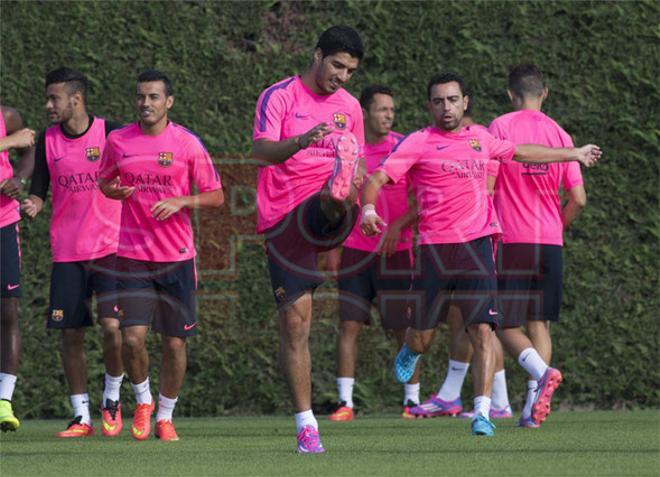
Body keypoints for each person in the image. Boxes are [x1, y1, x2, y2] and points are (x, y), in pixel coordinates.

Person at [361, 72, 600, 437]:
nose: (446, 107)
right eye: (439, 101)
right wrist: (368, 210)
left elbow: (521, 152)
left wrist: (574, 153)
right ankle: (412, 347)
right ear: (430, 106)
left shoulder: (482, 139)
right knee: (423, 339)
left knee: (483, 331)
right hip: (433, 252)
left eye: (453, 100)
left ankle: (483, 412)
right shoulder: (418, 142)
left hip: (477, 246)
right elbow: (377, 179)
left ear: (465, 103)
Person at [252, 25, 365, 453]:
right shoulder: (278, 96)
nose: (342, 76)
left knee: (333, 197)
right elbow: (261, 152)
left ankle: (335, 199)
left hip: (327, 210)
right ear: (317, 55)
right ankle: (306, 426)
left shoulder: (350, 108)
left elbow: (362, 171)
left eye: (350, 71)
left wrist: (363, 202)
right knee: (296, 322)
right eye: (337, 65)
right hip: (283, 218)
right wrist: (299, 142)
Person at [99, 69, 223, 441]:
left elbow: (216, 195)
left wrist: (182, 200)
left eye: (154, 97)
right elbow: (105, 180)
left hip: (177, 258)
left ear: (168, 102)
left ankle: (165, 417)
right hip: (132, 255)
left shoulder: (186, 144)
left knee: (174, 343)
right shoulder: (118, 140)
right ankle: (142, 399)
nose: (146, 103)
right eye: (141, 97)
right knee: (132, 338)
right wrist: (112, 191)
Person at [21, 67, 125, 438]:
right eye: (48, 98)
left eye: (55, 98)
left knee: (114, 330)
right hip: (67, 253)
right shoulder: (47, 141)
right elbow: (37, 191)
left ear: (76, 99)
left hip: (111, 249)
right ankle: (81, 416)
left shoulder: (111, 132)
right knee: (71, 335)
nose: (49, 105)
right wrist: (30, 205)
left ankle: (111, 398)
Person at [489, 64, 587, 428]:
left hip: (513, 240)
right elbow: (578, 198)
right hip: (550, 242)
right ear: (544, 92)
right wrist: (555, 229)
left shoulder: (500, 126)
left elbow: (489, 179)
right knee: (539, 323)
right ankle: (532, 411)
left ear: (510, 95)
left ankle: (544, 373)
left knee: (503, 325)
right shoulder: (563, 136)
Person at [412, 106, 512, 420]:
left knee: (481, 327)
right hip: (446, 246)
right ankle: (457, 395)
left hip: (476, 243)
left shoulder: (483, 152)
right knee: (464, 325)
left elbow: (486, 192)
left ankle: (496, 403)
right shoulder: (428, 145)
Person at [327, 85, 420, 422]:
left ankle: (411, 403)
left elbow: (424, 199)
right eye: (382, 109)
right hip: (354, 251)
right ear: (364, 112)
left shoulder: (404, 146)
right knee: (349, 326)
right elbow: (338, 200)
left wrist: (397, 227)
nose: (388, 115)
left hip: (396, 251)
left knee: (403, 329)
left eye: (391, 110)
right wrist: (335, 246)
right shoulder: (350, 148)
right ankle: (345, 404)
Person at [0, 105, 35, 432]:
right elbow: (17, 142)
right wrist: (7, 143)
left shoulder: (8, 117)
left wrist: (19, 178)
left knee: (7, 311)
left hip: (3, 223)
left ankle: (4, 402)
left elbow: (29, 150)